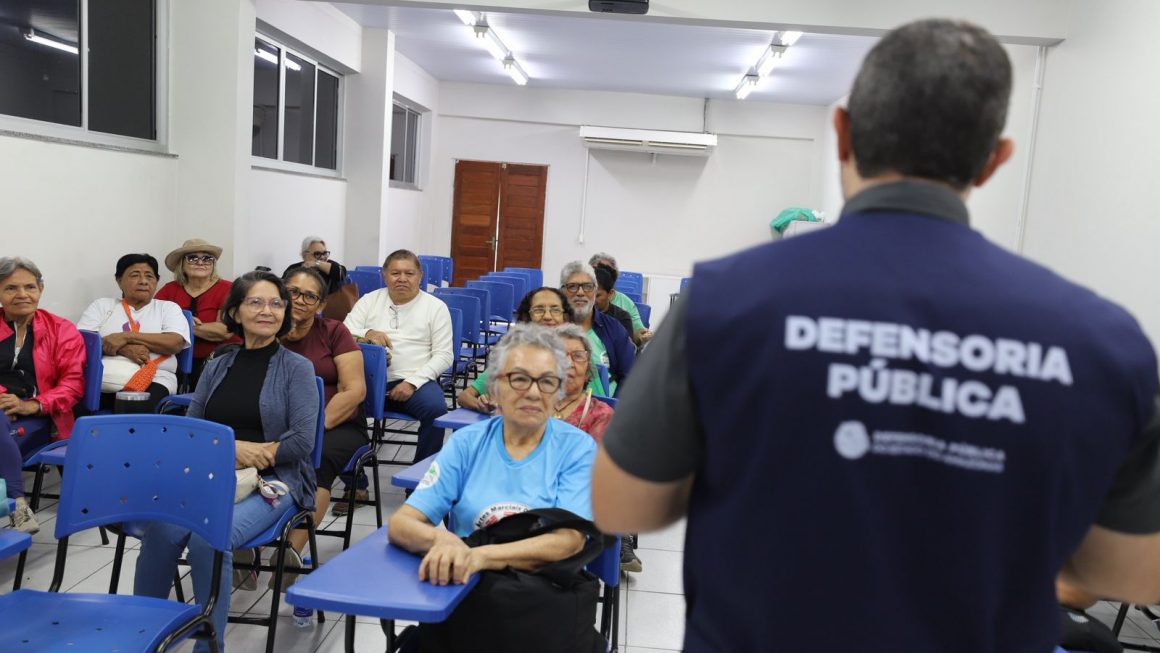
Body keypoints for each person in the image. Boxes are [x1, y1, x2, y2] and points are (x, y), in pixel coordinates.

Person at [592, 19, 1160, 653]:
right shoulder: (1100, 341)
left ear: (843, 133)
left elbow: (622, 508)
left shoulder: (723, 302)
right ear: (995, 159)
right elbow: (1135, 571)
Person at [134, 271, 317, 653]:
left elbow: (301, 442)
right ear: (235, 310)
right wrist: (233, 449)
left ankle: (209, 647)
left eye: (276, 303)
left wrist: (258, 453)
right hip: (211, 473)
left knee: (209, 537)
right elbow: (192, 431)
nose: (267, 311)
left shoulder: (296, 369)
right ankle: (142, 634)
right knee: (161, 530)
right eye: (256, 302)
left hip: (275, 481)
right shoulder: (219, 362)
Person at [388, 323, 595, 584]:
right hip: (468, 591)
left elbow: (568, 542)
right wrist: (444, 539)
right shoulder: (466, 443)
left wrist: (479, 556)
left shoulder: (577, 449)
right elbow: (401, 524)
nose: (533, 392)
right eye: (519, 379)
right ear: (495, 386)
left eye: (547, 381)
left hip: (545, 596)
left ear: (558, 391)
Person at [277, 266, 366, 586]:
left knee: (316, 459)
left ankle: (289, 552)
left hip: (335, 423)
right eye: (292, 293)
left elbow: (355, 391)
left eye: (309, 296)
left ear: (320, 304)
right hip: (277, 424)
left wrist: (313, 427)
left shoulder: (334, 332)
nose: (299, 301)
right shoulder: (264, 329)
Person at [0, 257, 85, 533]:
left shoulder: (62, 330)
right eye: (11, 288)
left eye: (29, 287)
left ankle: (15, 502)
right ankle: (18, 503)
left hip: (41, 419)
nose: (22, 294)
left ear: (41, 289)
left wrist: (29, 405)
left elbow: (73, 386)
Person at [344, 249, 453, 464]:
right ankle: (356, 484)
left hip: (414, 382)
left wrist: (412, 383)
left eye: (409, 273)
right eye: (395, 273)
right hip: (368, 381)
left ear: (420, 276)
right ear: (384, 275)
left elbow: (444, 355)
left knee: (437, 411)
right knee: (335, 407)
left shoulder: (436, 307)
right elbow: (344, 331)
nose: (402, 279)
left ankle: (420, 484)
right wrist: (368, 333)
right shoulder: (369, 301)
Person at [458, 287, 604, 412]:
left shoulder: (578, 360)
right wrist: (482, 405)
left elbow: (596, 406)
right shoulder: (512, 358)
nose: (547, 316)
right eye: (539, 310)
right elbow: (465, 396)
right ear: (527, 317)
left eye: (555, 310)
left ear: (565, 316)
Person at [77, 254, 191, 413]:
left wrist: (126, 337)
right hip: (104, 376)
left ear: (156, 281)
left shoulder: (168, 308)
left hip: (155, 377)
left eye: (149, 276)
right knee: (74, 401)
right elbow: (80, 343)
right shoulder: (102, 306)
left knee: (132, 410)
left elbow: (175, 343)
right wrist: (123, 349)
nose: (143, 281)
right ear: (119, 281)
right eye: (135, 275)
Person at [155, 238, 235, 387]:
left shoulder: (227, 289)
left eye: (207, 258)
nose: (200, 262)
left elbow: (224, 331)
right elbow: (153, 322)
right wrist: (189, 324)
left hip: (219, 362)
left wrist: (180, 324)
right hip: (174, 361)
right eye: (192, 258)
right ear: (182, 264)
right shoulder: (169, 289)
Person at [559, 261, 634, 396]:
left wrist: (612, 409)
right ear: (562, 291)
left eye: (587, 286)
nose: (580, 292)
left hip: (605, 408)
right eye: (572, 287)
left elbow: (629, 377)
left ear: (595, 291)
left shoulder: (614, 329)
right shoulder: (553, 328)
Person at [588, 253, 652, 344]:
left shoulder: (624, 306)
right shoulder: (580, 305)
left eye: (606, 271)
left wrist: (640, 336)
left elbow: (638, 331)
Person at [282, 236, 349, 302]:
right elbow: (283, 289)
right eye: (317, 254)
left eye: (325, 253)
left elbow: (341, 273)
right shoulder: (294, 268)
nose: (322, 257)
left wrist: (317, 263)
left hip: (328, 308)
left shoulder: (331, 266)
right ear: (305, 255)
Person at [592, 265, 635, 342]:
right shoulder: (581, 316)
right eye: (590, 295)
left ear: (610, 294)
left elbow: (627, 349)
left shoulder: (622, 317)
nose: (592, 300)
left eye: (597, 296)